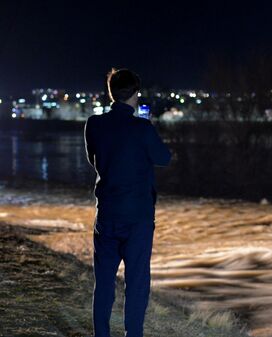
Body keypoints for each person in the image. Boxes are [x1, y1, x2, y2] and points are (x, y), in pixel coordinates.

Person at [84, 68, 171, 337]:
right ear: (134, 94)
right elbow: (164, 158)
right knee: (136, 284)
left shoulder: (94, 124)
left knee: (104, 285)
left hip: (107, 215)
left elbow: (94, 160)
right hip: (138, 219)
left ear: (112, 94)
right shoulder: (142, 128)